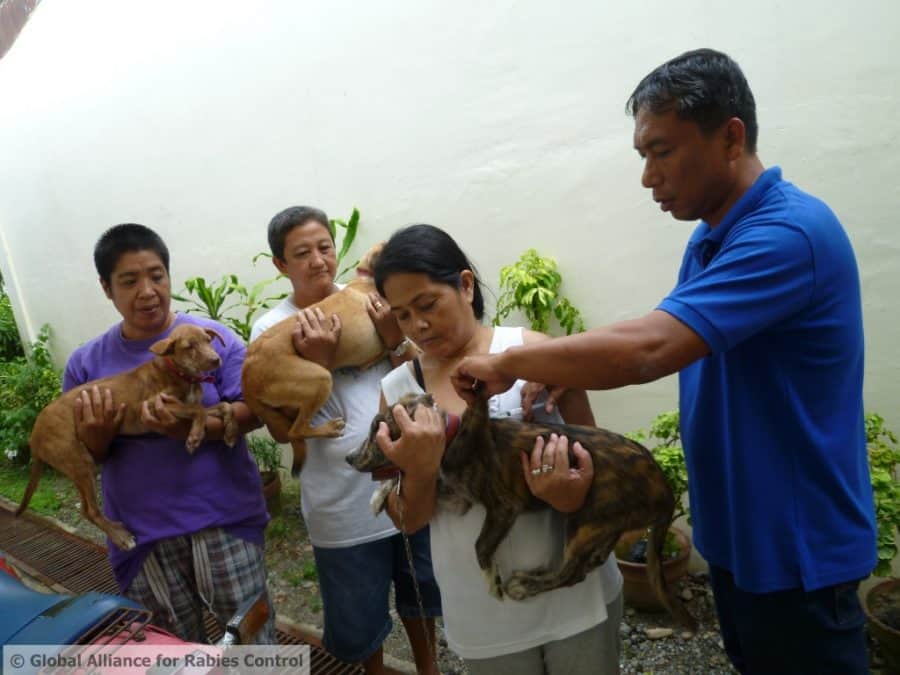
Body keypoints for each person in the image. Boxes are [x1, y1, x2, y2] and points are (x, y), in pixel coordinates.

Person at [451, 48, 877, 674]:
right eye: (643, 156)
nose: (649, 176)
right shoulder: (712, 239)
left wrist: (512, 361)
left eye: (662, 151)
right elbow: (664, 329)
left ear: (730, 137)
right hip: (742, 540)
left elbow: (651, 348)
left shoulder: (788, 236)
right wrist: (560, 363)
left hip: (798, 552)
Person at [371, 223, 624, 675]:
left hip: (575, 592)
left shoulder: (532, 353)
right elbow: (408, 520)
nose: (419, 325)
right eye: (403, 316)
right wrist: (422, 470)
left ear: (465, 285)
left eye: (428, 304)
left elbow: (605, 465)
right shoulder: (398, 390)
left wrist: (571, 498)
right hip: (483, 606)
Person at [249, 206, 441, 674]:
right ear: (280, 265)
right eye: (302, 253)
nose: (318, 260)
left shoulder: (372, 300)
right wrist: (322, 361)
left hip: (405, 483)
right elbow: (278, 429)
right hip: (342, 505)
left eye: (325, 247)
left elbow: (421, 379)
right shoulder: (270, 329)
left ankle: (430, 668)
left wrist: (394, 339)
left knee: (422, 596)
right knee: (359, 621)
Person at [65, 223, 275, 643]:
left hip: (223, 518)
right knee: (172, 654)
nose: (147, 290)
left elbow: (256, 410)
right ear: (107, 288)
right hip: (144, 534)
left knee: (255, 650)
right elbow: (89, 453)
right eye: (130, 280)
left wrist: (193, 427)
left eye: (156, 275)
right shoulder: (86, 364)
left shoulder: (213, 340)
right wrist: (98, 434)